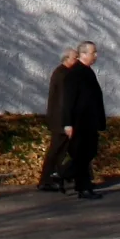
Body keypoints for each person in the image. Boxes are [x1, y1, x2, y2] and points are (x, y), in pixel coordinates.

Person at [63, 40, 106, 199]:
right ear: (83, 54)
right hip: (79, 122)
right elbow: (68, 100)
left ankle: (65, 176)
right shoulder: (75, 73)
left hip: (89, 121)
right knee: (82, 154)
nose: (95, 55)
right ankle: (82, 187)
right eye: (93, 52)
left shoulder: (87, 71)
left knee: (89, 152)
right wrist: (68, 123)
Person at [36, 49, 79, 191]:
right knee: (56, 150)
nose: (77, 60)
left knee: (61, 151)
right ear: (66, 59)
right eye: (75, 57)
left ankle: (56, 177)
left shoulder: (62, 73)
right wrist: (68, 122)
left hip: (60, 120)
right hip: (61, 121)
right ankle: (46, 180)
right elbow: (64, 100)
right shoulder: (63, 75)